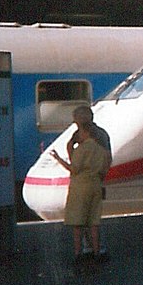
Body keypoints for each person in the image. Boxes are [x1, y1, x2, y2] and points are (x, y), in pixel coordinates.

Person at [50, 105, 112, 262]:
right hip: (96, 182)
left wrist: (67, 154)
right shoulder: (101, 135)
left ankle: (83, 251)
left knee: (79, 220)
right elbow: (107, 159)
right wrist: (101, 176)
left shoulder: (81, 139)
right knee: (94, 220)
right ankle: (98, 250)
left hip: (81, 184)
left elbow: (75, 167)